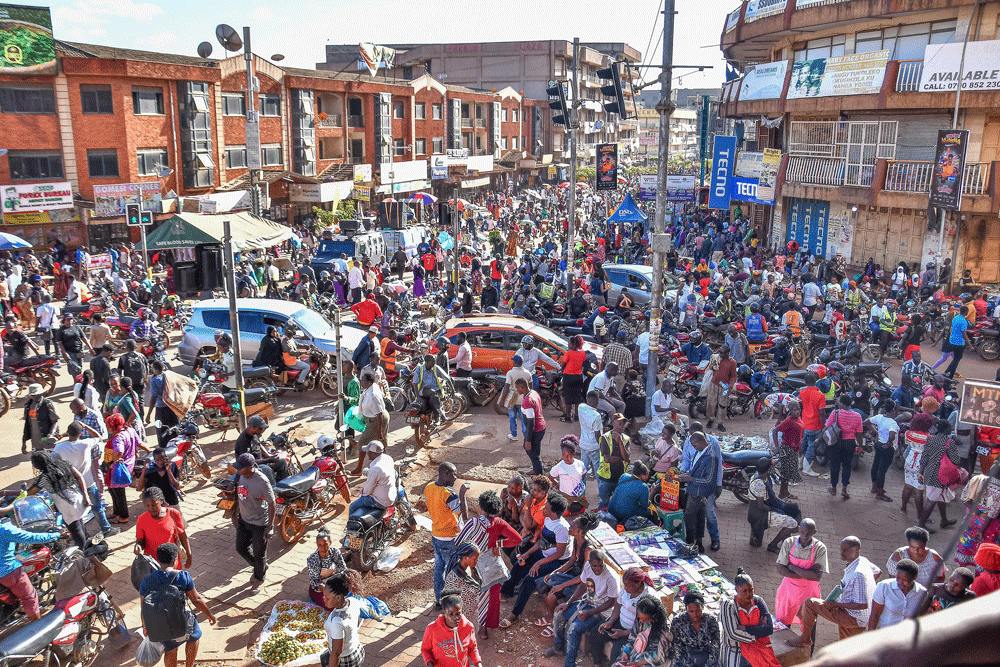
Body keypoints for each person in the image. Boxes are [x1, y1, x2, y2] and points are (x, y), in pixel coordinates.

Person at [450, 490, 520, 639]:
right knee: (492, 597)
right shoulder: (499, 523)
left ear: (481, 507)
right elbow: (517, 539)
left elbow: (458, 542)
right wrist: (498, 544)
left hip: (474, 566)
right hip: (492, 565)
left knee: (471, 596)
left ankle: (463, 627)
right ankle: (484, 629)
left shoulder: (473, 523)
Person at [785, 536, 879, 647]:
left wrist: (836, 604)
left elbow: (862, 604)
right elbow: (878, 571)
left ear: (856, 551)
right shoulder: (863, 560)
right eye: (841, 549)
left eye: (846, 550)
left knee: (809, 603)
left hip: (852, 617)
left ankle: (805, 639)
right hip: (861, 619)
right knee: (847, 648)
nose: (841, 552)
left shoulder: (858, 574)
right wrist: (865, 588)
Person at [139, 543, 216, 667]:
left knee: (170, 648)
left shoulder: (146, 581)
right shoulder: (182, 576)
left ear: (158, 560)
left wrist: (145, 627)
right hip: (182, 621)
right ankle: (189, 665)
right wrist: (209, 614)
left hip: (161, 624)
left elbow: (144, 608)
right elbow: (196, 599)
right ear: (175, 560)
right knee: (194, 636)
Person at [502, 493, 572, 626]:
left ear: (554, 512)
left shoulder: (562, 528)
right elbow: (542, 542)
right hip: (544, 554)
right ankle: (506, 592)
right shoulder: (548, 520)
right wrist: (528, 553)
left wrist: (538, 563)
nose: (543, 509)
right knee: (520, 564)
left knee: (530, 578)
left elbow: (559, 553)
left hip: (557, 561)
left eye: (546, 508)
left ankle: (515, 614)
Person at [546, 548, 620, 666]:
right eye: (595, 566)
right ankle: (558, 648)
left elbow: (611, 602)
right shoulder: (587, 566)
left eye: (601, 566)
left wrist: (589, 613)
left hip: (601, 612)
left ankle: (569, 663)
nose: (598, 569)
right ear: (590, 563)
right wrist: (568, 603)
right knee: (559, 615)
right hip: (587, 603)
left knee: (574, 629)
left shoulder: (611, 578)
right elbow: (582, 586)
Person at [54, 421, 116, 537]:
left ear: (68, 432)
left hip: (72, 486)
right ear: (81, 433)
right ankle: (106, 529)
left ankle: (84, 535)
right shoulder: (86, 444)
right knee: (97, 508)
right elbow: (99, 436)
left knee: (78, 513)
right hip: (88, 483)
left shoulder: (59, 448)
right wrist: (85, 426)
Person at [425, 462, 470, 607]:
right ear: (445, 473)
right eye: (453, 474)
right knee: (453, 572)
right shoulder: (449, 495)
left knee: (439, 568)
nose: (456, 478)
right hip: (449, 538)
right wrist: (462, 494)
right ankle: (451, 603)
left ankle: (439, 599)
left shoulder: (429, 487)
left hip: (436, 536)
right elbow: (464, 515)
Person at [0, 515, 60, 621]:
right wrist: (56, 535)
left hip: (4, 574)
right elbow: (32, 537)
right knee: (29, 597)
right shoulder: (4, 529)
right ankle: (38, 627)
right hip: (8, 571)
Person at [28, 450, 90, 549]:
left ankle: (82, 552)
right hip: (77, 497)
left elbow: (30, 492)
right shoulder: (63, 464)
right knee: (80, 523)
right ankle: (87, 545)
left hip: (66, 506)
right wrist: (86, 495)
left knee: (76, 530)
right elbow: (79, 476)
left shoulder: (44, 477)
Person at [720, 569, 781, 667]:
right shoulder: (728, 605)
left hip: (758, 648)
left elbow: (769, 629)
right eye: (745, 591)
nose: (749, 594)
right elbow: (733, 634)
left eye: (751, 590)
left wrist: (745, 628)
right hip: (735, 650)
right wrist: (757, 632)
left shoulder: (758, 601)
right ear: (736, 590)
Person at [773, 518, 828, 626]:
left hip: (809, 593)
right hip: (789, 591)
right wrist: (807, 573)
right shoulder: (789, 542)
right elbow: (780, 569)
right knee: (783, 621)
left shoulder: (820, 548)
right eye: (802, 532)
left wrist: (793, 567)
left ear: (814, 532)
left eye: (808, 533)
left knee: (809, 623)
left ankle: (808, 643)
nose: (805, 536)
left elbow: (817, 577)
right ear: (798, 530)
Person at [233, 453, 275, 588]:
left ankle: (259, 578)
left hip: (259, 522)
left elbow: (272, 503)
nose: (237, 470)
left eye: (240, 468)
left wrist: (270, 526)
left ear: (249, 468)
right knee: (240, 548)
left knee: (259, 553)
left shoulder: (262, 481)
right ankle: (260, 566)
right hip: (244, 520)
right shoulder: (240, 474)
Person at [677, 431, 718, 553]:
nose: (693, 448)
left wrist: (691, 478)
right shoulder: (700, 452)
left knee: (689, 517)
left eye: (695, 445)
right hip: (694, 490)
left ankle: (690, 543)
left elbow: (709, 479)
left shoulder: (711, 456)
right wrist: (686, 475)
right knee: (699, 517)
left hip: (700, 492)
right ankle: (698, 543)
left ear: (701, 442)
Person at [747, 458, 800, 551]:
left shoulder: (758, 476)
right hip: (759, 514)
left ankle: (786, 541)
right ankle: (772, 545)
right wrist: (775, 509)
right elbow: (761, 505)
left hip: (759, 509)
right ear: (768, 469)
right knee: (793, 523)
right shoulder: (759, 483)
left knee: (793, 510)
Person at [918, 418, 961, 533]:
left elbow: (924, 457)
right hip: (941, 475)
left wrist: (920, 473)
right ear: (947, 430)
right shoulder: (949, 442)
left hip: (929, 472)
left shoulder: (930, 440)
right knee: (931, 500)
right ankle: (920, 526)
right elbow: (956, 460)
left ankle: (944, 520)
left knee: (939, 496)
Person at [955, 462, 1000, 569]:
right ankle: (979, 576)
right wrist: (981, 530)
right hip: (990, 525)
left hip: (972, 519)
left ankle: (962, 573)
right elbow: (993, 513)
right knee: (985, 550)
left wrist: (978, 513)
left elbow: (965, 498)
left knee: (967, 544)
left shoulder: (977, 479)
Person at [421, 590, 483, 667]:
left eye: (458, 613)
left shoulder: (469, 627)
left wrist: (478, 664)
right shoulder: (432, 628)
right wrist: (430, 664)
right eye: (450, 614)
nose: (455, 618)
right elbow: (425, 650)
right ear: (443, 612)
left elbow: (472, 648)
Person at [134, 486, 191, 569]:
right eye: (147, 505)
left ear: (161, 501)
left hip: (172, 563)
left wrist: (189, 556)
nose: (151, 508)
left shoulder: (173, 514)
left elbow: (182, 536)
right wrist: (138, 546)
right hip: (152, 564)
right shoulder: (142, 519)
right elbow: (140, 540)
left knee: (173, 581)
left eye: (154, 505)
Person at [320, 572, 366, 667]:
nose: (324, 599)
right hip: (357, 650)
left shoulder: (337, 621)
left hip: (346, 660)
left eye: (327, 598)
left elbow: (336, 653)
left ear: (338, 597)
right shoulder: (352, 601)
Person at [612, 594, 669, 667]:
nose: (641, 621)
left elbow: (660, 656)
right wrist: (626, 651)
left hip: (652, 659)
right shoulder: (640, 617)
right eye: (640, 618)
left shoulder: (665, 629)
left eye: (645, 619)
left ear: (653, 617)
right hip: (638, 651)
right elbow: (633, 635)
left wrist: (640, 663)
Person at [825, 394, 864, 499]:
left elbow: (827, 426)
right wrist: (860, 446)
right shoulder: (857, 416)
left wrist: (819, 439)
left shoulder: (835, 413)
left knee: (834, 466)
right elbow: (859, 434)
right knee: (847, 466)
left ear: (841, 404)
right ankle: (844, 489)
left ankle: (833, 488)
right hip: (850, 443)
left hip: (836, 443)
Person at [868, 559, 925, 629]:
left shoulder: (922, 593)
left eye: (904, 580)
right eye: (898, 578)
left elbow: (922, 618)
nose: (900, 581)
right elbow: (875, 615)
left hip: (908, 636)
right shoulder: (884, 587)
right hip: (886, 634)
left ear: (915, 578)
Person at [667, 591, 720, 667]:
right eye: (691, 611)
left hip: (706, 659)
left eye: (698, 611)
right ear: (686, 609)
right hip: (684, 660)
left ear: (702, 608)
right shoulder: (678, 622)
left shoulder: (711, 621)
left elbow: (715, 646)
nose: (695, 615)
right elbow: (677, 649)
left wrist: (708, 664)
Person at [353, 370, 390, 475]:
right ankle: (386, 465)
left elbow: (379, 415)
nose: (361, 382)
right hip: (371, 419)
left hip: (377, 420)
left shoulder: (372, 395)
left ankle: (359, 469)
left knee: (363, 443)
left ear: (369, 383)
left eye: (363, 380)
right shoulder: (369, 389)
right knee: (380, 443)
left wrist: (379, 433)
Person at [104, 413, 138, 524]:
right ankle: (116, 512)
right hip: (127, 465)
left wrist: (113, 459)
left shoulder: (118, 438)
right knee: (112, 490)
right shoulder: (129, 430)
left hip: (119, 468)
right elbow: (139, 443)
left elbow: (119, 451)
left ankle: (123, 516)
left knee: (118, 492)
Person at [234, 415, 288, 483]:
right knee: (267, 469)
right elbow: (248, 463)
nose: (262, 430)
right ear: (253, 428)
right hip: (252, 467)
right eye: (260, 428)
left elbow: (259, 445)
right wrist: (268, 460)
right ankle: (273, 489)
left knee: (282, 461)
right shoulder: (243, 441)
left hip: (262, 461)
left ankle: (284, 485)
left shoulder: (254, 434)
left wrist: (269, 455)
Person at [867, 400, 900, 502]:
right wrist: (889, 443)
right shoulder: (892, 423)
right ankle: (880, 493)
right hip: (887, 448)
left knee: (876, 465)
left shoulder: (879, 417)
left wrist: (876, 432)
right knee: (882, 470)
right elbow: (892, 435)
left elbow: (866, 422)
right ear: (894, 410)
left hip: (879, 444)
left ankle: (874, 486)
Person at [307, 527, 347, 609]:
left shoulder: (335, 552)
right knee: (332, 605)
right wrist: (328, 591)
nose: (323, 548)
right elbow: (315, 581)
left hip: (336, 586)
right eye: (320, 545)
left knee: (348, 600)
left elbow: (343, 569)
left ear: (330, 543)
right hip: (321, 590)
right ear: (317, 545)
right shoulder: (312, 559)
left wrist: (340, 586)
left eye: (326, 544)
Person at [597, 413, 631, 509]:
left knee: (619, 503)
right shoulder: (605, 437)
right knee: (604, 503)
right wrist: (622, 459)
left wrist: (620, 442)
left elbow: (627, 459)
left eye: (623, 423)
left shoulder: (626, 439)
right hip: (606, 478)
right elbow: (607, 459)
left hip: (621, 478)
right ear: (613, 423)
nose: (621, 426)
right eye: (619, 423)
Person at [515, 376, 547, 476]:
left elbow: (531, 422)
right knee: (535, 450)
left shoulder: (527, 401)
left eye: (517, 388)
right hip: (541, 427)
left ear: (522, 387)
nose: (516, 390)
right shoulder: (533, 392)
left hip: (535, 430)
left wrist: (528, 440)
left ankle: (539, 474)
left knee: (531, 451)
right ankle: (537, 469)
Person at [771, 400, 803, 499]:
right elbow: (775, 430)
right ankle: (782, 493)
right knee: (786, 472)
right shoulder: (788, 421)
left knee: (789, 472)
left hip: (794, 449)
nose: (797, 411)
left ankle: (785, 492)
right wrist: (777, 446)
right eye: (794, 410)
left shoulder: (798, 419)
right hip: (787, 449)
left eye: (798, 409)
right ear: (790, 411)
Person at [608, 461, 655, 526]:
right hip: (623, 514)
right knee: (650, 512)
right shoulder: (643, 487)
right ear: (643, 476)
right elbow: (645, 506)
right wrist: (652, 492)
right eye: (647, 475)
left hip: (611, 509)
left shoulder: (624, 476)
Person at [931, 304, 972, 378]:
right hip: (952, 344)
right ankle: (932, 369)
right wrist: (970, 345)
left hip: (948, 342)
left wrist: (935, 342)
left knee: (955, 358)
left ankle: (954, 372)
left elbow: (941, 334)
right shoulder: (961, 322)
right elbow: (963, 334)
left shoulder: (950, 323)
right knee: (947, 358)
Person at [799, 372, 826, 476]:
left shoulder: (802, 392)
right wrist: (824, 426)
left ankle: (800, 465)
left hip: (804, 423)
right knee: (811, 446)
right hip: (815, 425)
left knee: (803, 444)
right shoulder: (820, 395)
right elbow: (822, 412)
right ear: (816, 381)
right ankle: (807, 468)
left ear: (805, 382)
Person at [498, 355, 531, 442]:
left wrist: (502, 400)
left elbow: (506, 387)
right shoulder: (528, 373)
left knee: (512, 418)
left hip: (512, 399)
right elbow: (530, 388)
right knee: (524, 420)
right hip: (523, 399)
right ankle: (526, 438)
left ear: (515, 363)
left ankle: (514, 435)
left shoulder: (510, 373)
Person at [706, 345, 736, 432]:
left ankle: (720, 423)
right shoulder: (717, 359)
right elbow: (710, 368)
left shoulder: (732, 362)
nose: (720, 354)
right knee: (711, 403)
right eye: (720, 352)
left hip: (724, 386)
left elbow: (733, 375)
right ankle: (711, 420)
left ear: (727, 353)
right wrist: (713, 365)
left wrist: (730, 385)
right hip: (714, 383)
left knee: (722, 405)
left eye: (722, 353)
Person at [22, 383, 59, 454]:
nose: (36, 397)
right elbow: (27, 425)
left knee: (48, 458)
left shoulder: (48, 404)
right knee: (37, 460)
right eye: (33, 395)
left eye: (38, 395)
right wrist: (24, 442)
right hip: (35, 440)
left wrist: (51, 434)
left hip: (45, 438)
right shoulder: (28, 406)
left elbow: (54, 421)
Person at [551, 437, 588, 505]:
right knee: (566, 512)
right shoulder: (559, 466)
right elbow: (550, 476)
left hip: (579, 496)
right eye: (563, 455)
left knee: (579, 510)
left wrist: (576, 481)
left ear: (573, 454)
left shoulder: (580, 464)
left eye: (568, 455)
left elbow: (583, 474)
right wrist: (557, 484)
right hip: (565, 497)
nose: (566, 458)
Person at [560, 335, 588, 422]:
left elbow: (563, 365)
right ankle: (576, 416)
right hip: (578, 377)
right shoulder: (583, 353)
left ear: (572, 344)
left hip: (568, 377)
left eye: (569, 343)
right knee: (577, 398)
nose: (568, 344)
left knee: (568, 398)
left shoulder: (568, 353)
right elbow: (584, 362)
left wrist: (561, 371)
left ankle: (568, 417)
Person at [578, 392, 604, 480]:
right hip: (593, 446)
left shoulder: (580, 407)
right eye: (597, 400)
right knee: (597, 467)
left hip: (583, 443)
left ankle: (581, 490)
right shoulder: (597, 416)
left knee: (583, 468)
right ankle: (601, 490)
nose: (598, 402)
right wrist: (602, 446)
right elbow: (597, 435)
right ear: (593, 400)